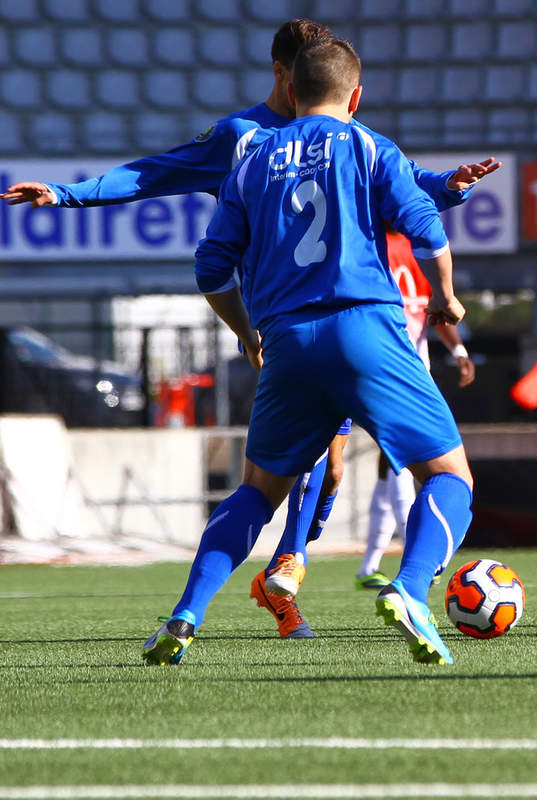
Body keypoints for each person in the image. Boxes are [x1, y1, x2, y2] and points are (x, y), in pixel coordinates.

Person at [1, 18, 500, 640]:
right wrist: (69, 194)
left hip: (286, 328)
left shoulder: (284, 149)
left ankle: (258, 576)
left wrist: (445, 186)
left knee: (312, 469)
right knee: (408, 468)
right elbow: (156, 172)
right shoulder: (254, 137)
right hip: (355, 323)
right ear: (288, 76)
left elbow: (401, 192)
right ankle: (329, 571)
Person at [142, 34, 473, 667]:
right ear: (356, 95)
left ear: (290, 92)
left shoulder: (253, 156)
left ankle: (186, 614)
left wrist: (247, 330)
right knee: (449, 475)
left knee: (257, 492)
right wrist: (446, 297)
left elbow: (211, 268)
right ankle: (410, 590)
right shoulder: (371, 145)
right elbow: (428, 230)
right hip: (364, 328)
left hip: (287, 341)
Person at [355, 231, 476, 590]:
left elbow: (433, 309)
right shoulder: (374, 241)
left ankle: (371, 562)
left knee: (390, 462)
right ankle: (417, 558)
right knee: (410, 462)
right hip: (388, 366)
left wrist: (459, 351)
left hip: (404, 369)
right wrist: (459, 353)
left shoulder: (405, 249)